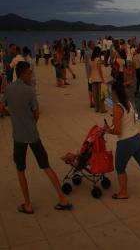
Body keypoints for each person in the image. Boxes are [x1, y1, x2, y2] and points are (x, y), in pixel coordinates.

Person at [7, 61, 72, 214]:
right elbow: (36, 113)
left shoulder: (9, 89)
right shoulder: (30, 91)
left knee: (20, 169)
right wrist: (31, 122)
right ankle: (63, 199)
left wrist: (15, 116)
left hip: (18, 137)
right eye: (29, 73)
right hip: (32, 135)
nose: (31, 75)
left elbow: (4, 106)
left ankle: (28, 204)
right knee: (46, 166)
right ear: (22, 74)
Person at [89, 46, 106, 113]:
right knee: (101, 95)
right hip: (98, 78)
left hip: (93, 78)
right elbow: (99, 70)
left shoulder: (91, 60)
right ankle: (102, 109)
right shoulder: (98, 60)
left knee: (95, 95)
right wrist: (103, 79)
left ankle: (97, 108)